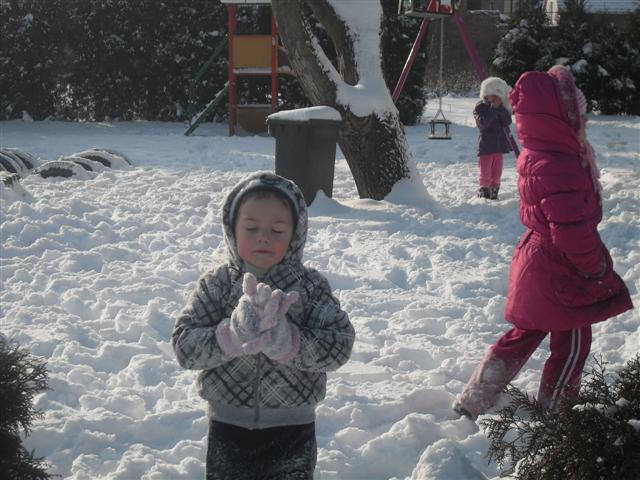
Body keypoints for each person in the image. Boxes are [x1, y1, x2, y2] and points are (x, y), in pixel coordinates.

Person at [454, 66, 633, 420]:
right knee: (573, 343)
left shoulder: (543, 153)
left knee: (524, 333)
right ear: (561, 118)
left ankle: (475, 396)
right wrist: (593, 265)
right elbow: (569, 228)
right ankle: (558, 413)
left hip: (539, 261)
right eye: (578, 114)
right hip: (563, 268)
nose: (584, 120)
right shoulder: (560, 164)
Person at [172, 172, 355, 479]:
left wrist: (291, 343)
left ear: (295, 235)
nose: (263, 237)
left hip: (293, 429)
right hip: (228, 427)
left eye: (277, 230)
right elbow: (184, 346)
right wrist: (231, 337)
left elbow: (339, 344)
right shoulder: (217, 285)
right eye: (251, 228)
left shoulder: (309, 288)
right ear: (232, 229)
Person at [474, 77, 514, 200]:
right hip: (486, 146)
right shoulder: (480, 107)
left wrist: (500, 108)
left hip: (499, 145)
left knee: (497, 172)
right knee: (485, 172)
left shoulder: (500, 107)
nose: (496, 97)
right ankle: (484, 190)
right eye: (493, 94)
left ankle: (494, 190)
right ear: (486, 94)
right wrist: (493, 109)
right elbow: (483, 124)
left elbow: (507, 122)